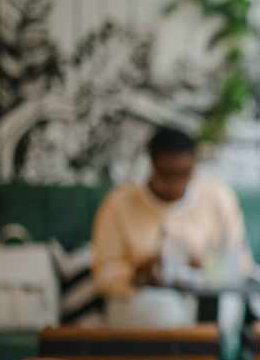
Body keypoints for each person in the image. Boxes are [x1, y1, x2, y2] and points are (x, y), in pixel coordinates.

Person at [92, 126, 251, 327]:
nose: (176, 182)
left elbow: (241, 264)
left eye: (184, 173)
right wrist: (139, 273)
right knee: (163, 311)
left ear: (195, 166)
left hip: (206, 293)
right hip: (144, 300)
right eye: (167, 173)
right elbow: (103, 273)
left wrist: (202, 263)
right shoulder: (119, 203)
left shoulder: (219, 197)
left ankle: (198, 351)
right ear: (152, 164)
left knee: (224, 307)